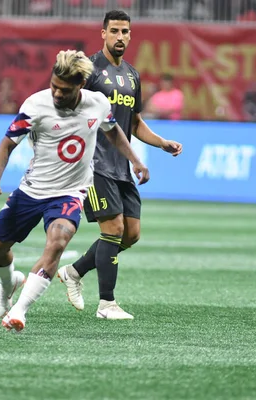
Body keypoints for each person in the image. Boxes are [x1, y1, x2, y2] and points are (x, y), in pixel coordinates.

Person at [0, 50, 149, 332]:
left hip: (69, 194)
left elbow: (113, 130)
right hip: (31, 191)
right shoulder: (35, 105)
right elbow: (7, 143)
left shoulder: (97, 104)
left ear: (80, 86)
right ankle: (8, 282)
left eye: (64, 89)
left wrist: (135, 160)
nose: (57, 94)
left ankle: (19, 312)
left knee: (57, 243)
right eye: (54, 87)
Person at [57, 10, 183, 320]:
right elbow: (65, 103)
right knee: (113, 228)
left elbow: (135, 122)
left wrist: (161, 142)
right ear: (103, 33)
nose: (120, 37)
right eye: (114, 31)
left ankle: (74, 271)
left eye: (125, 31)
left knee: (131, 234)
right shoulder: (89, 70)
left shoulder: (132, 75)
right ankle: (107, 304)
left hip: (121, 165)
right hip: (94, 163)